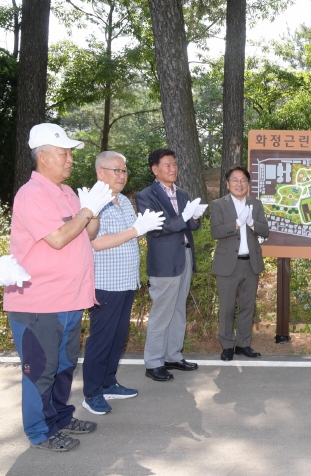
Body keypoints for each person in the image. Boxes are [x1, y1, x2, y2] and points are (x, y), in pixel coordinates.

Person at [4, 123, 114, 452]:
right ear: (43, 156)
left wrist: (91, 211)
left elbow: (87, 234)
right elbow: (58, 238)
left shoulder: (65, 193)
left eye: (70, 153)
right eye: (64, 153)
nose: (70, 159)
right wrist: (86, 210)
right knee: (41, 371)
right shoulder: (32, 194)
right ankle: (40, 431)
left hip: (69, 299)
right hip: (38, 303)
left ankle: (61, 418)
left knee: (64, 366)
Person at [82, 151, 165, 414]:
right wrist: (136, 230)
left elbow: (130, 235)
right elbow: (95, 243)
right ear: (100, 172)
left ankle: (108, 383)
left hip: (126, 281)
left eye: (124, 170)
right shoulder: (93, 204)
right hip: (106, 283)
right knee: (101, 339)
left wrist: (141, 228)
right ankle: (92, 392)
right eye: (115, 170)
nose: (121, 175)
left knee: (118, 338)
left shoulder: (124, 202)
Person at [135, 148, 207, 382]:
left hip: (185, 255)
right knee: (161, 313)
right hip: (164, 262)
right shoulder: (146, 195)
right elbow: (156, 228)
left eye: (174, 164)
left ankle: (172, 356)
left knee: (178, 310)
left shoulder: (183, 194)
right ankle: (153, 362)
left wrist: (194, 218)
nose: (173, 168)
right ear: (155, 169)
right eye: (167, 165)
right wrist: (183, 219)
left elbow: (191, 226)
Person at [211, 166, 270, 360]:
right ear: (227, 184)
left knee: (247, 306)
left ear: (248, 184)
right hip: (228, 264)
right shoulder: (219, 204)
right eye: (235, 180)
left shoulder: (256, 204)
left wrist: (251, 223)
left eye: (243, 180)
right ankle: (227, 345)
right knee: (227, 307)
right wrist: (237, 223)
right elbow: (216, 231)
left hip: (250, 263)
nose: (239, 184)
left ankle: (244, 344)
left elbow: (265, 231)